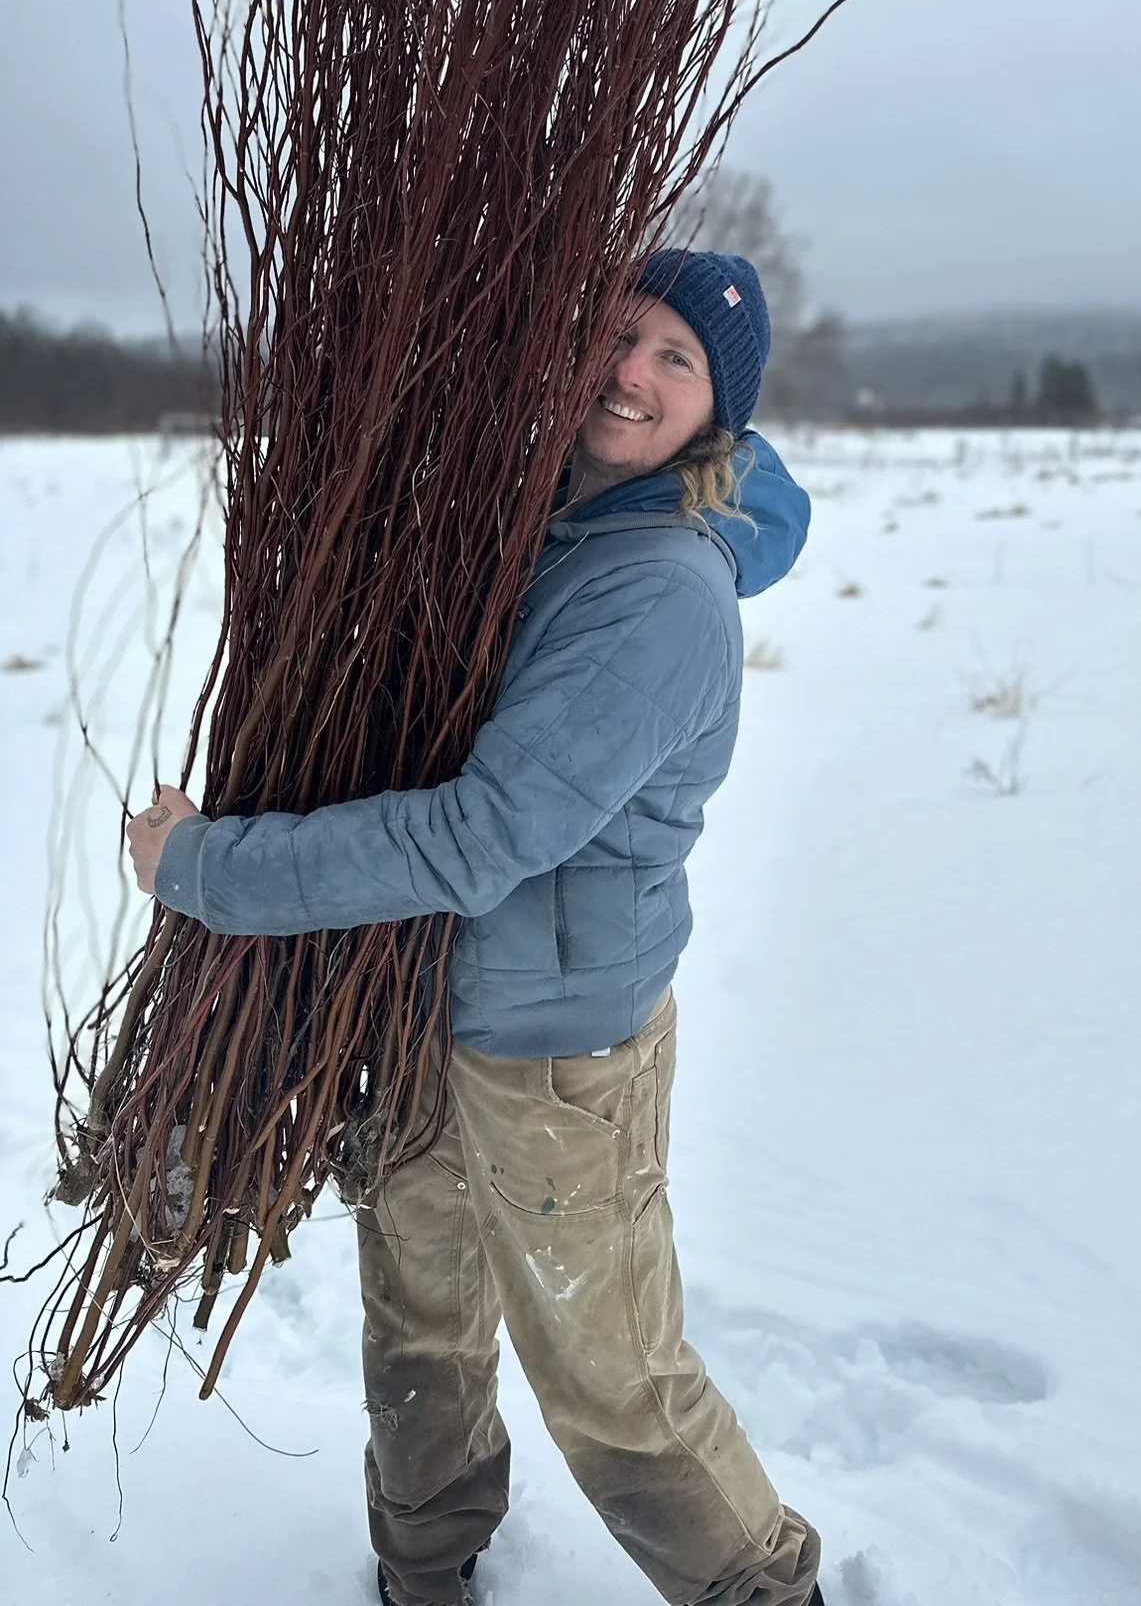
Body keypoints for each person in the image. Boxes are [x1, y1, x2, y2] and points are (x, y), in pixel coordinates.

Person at [128, 249, 824, 1606]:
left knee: (609, 1369)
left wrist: (210, 871)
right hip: (422, 1003)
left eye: (674, 359)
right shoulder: (539, 519)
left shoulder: (659, 595)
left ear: (718, 415)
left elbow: (481, 834)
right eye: (617, 335)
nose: (631, 372)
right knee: (422, 1323)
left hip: (555, 1052)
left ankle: (764, 1588)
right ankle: (426, 1571)